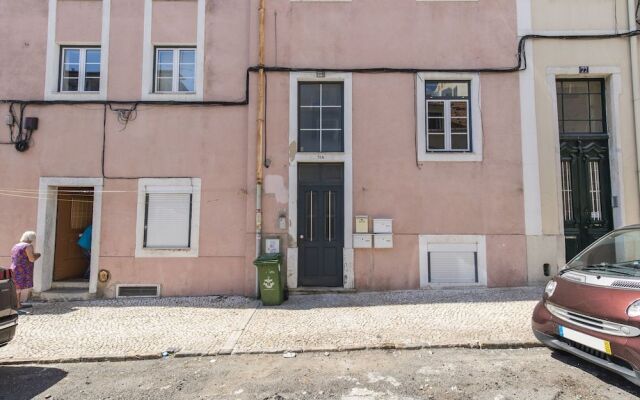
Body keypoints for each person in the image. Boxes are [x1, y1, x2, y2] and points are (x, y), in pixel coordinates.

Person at [10, 231, 40, 309]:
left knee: (17, 287)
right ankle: (17, 305)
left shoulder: (16, 245)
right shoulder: (28, 246)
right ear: (31, 239)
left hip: (14, 268)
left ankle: (17, 304)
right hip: (22, 270)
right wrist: (38, 255)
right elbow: (32, 259)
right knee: (18, 288)